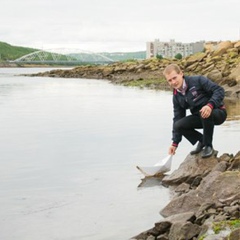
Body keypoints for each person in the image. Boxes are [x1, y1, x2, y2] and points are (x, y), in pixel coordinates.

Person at [163, 64, 227, 158]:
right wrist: (175, 143)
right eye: (170, 80)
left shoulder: (198, 80)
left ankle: (208, 146)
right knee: (178, 125)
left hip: (218, 112)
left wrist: (210, 105)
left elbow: (219, 90)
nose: (173, 82)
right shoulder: (176, 96)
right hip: (200, 116)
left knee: (204, 112)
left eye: (174, 78)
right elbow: (178, 117)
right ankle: (202, 141)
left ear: (181, 74)